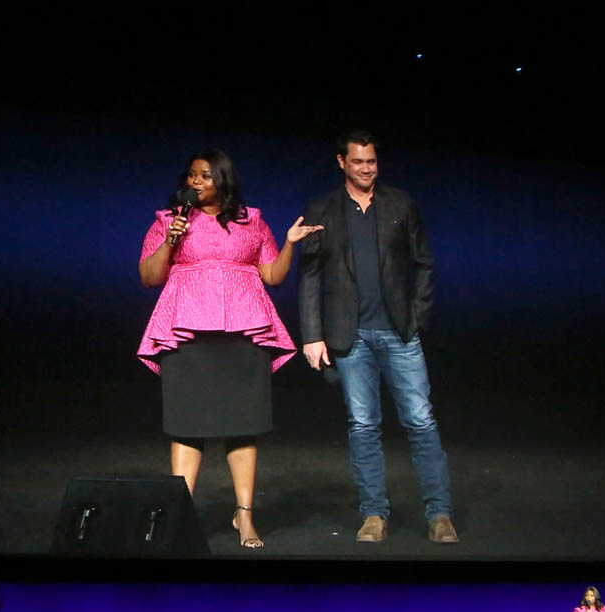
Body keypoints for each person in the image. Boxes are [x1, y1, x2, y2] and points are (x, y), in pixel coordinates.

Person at [137, 148, 322, 549]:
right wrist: (170, 242)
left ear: (222, 179)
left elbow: (272, 274)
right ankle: (180, 515)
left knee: (243, 425)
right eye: (192, 175)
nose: (196, 182)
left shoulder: (250, 221)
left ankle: (245, 515)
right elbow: (149, 277)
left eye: (205, 175)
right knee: (186, 424)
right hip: (187, 332)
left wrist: (289, 244)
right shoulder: (169, 220)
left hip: (243, 332)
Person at [297, 130, 457, 544]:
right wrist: (312, 335)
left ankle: (440, 515)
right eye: (357, 162)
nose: (366, 169)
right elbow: (310, 274)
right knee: (363, 425)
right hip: (349, 335)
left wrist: (417, 317)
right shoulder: (322, 208)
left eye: (371, 162)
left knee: (420, 421)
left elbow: (424, 262)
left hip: (399, 332)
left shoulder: (400, 203)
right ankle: (373, 514)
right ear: (341, 162)